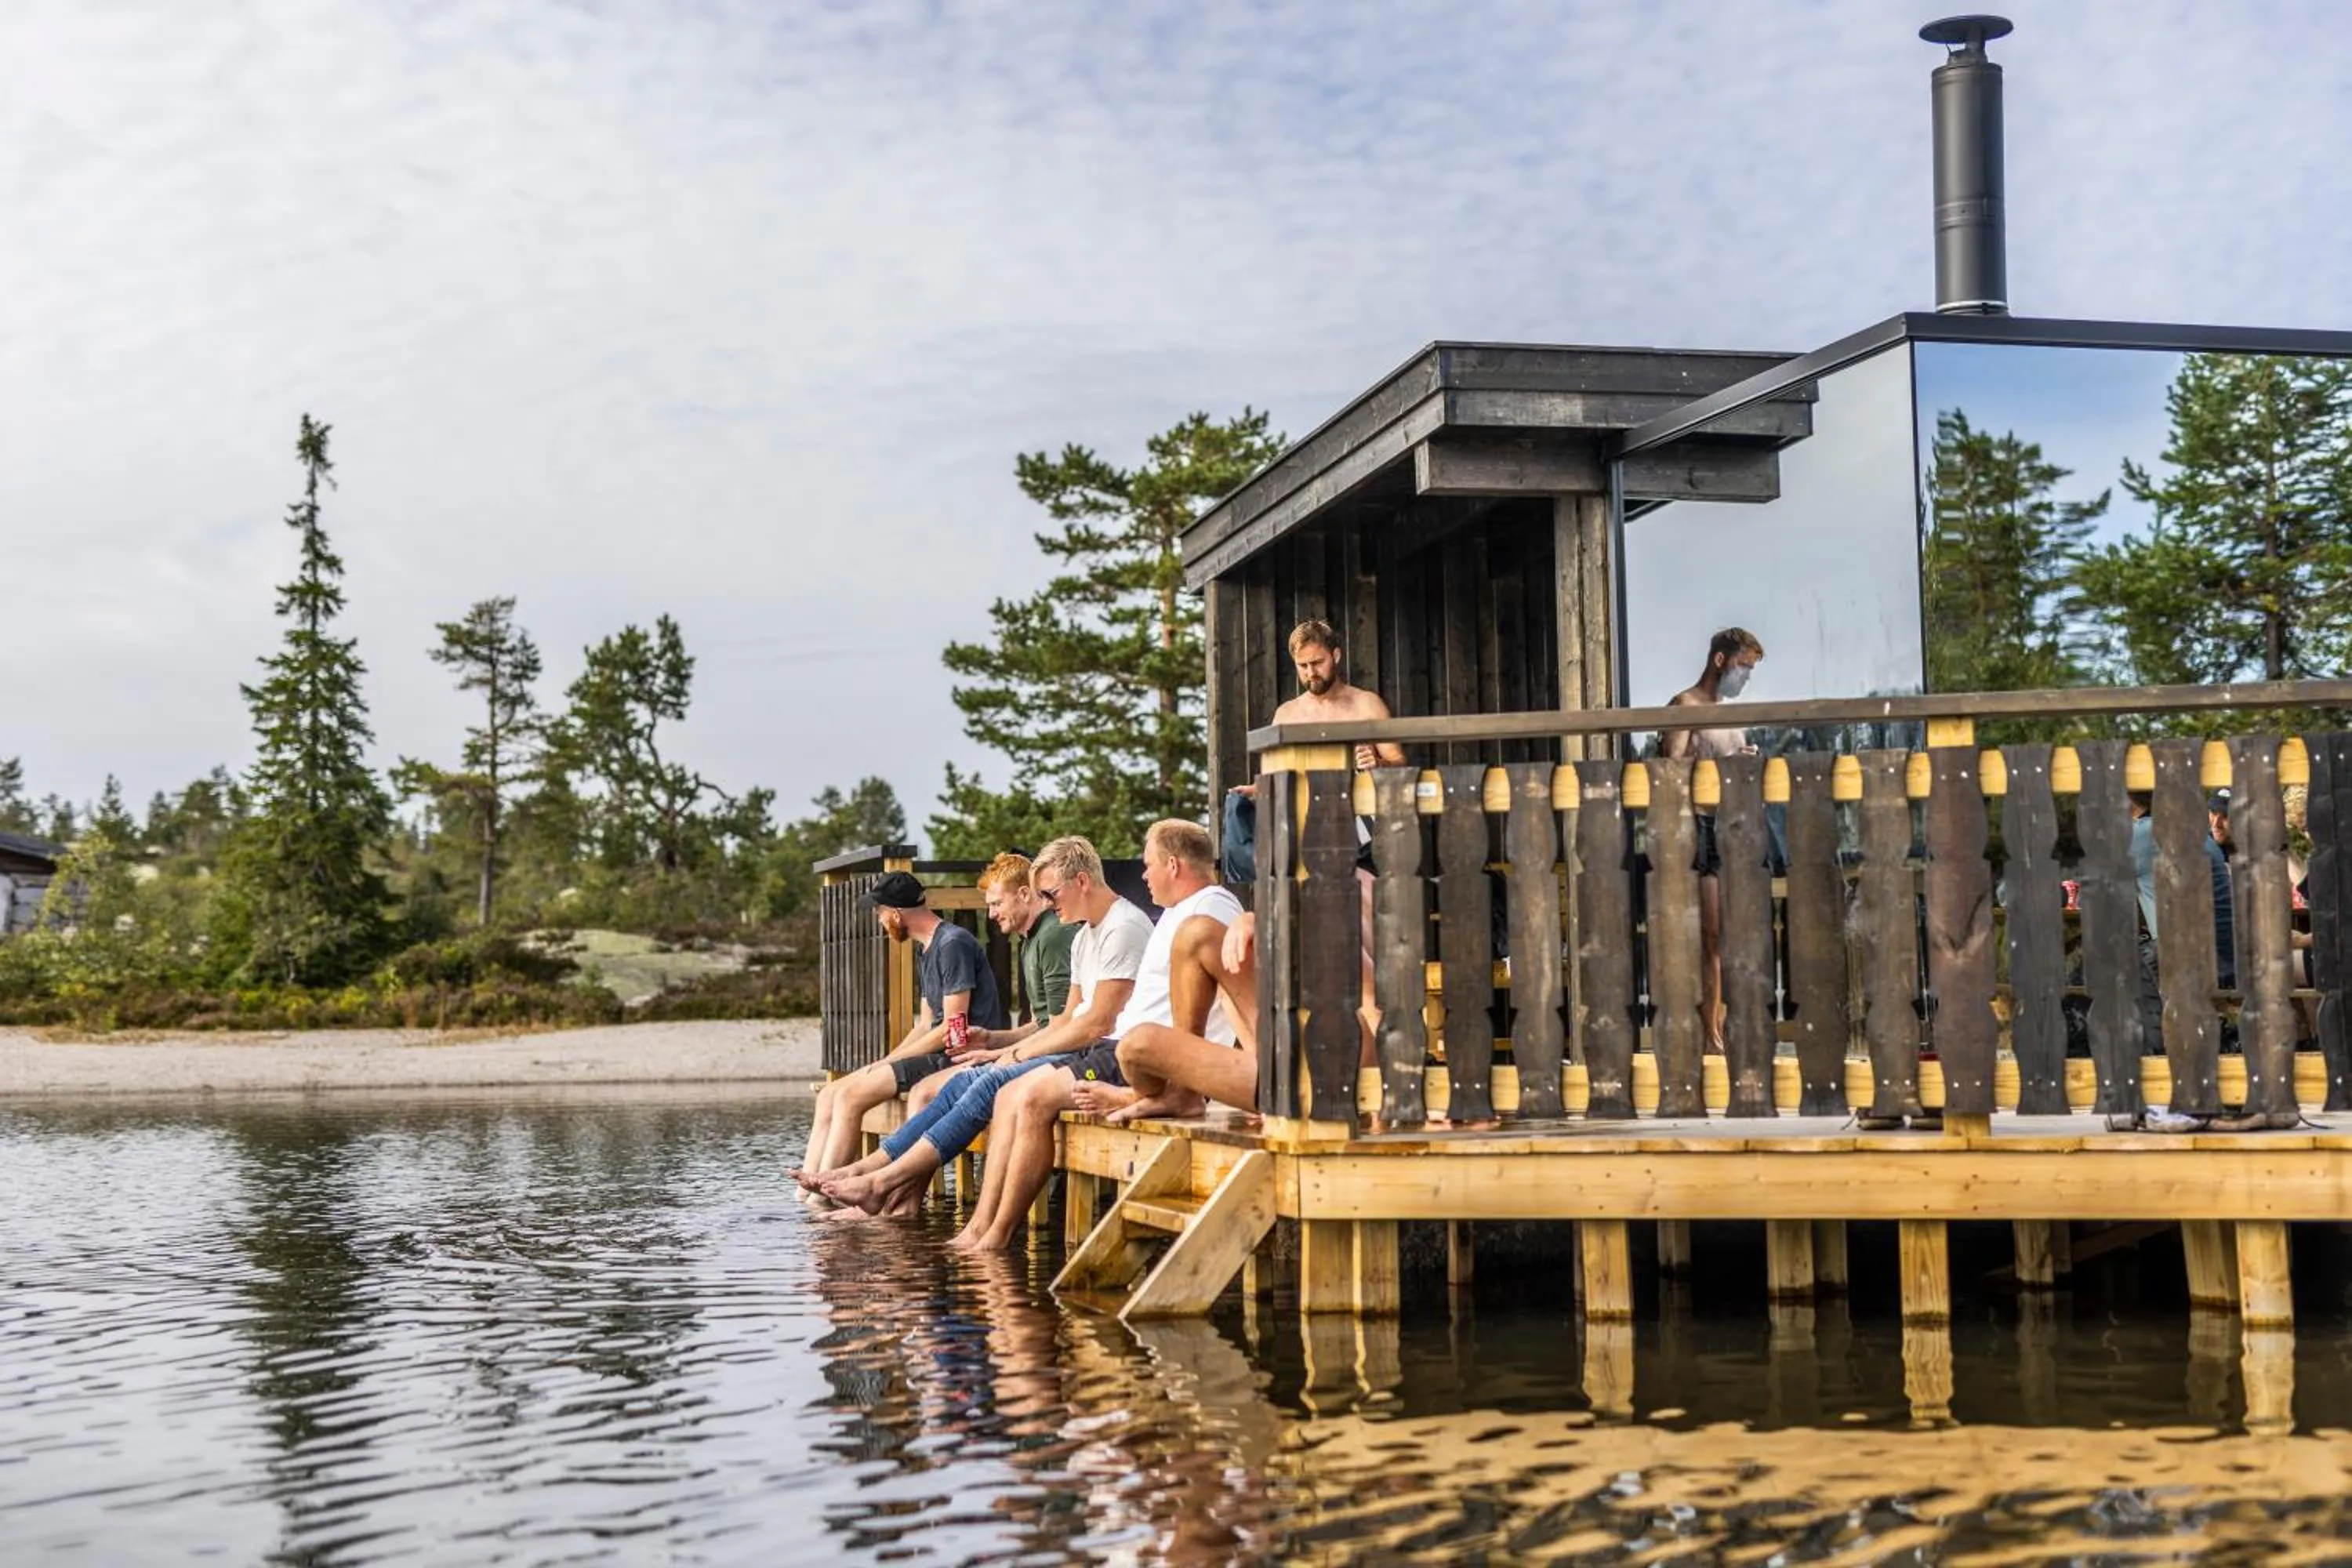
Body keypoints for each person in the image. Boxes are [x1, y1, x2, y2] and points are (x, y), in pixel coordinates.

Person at [808, 836, 1151, 1215]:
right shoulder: (1072, 936)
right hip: (1070, 1050)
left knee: (949, 1089)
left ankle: (884, 1187)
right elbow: (1060, 1021)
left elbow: (1086, 1024)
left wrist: (1009, 1053)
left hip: (1097, 1055)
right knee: (869, 1090)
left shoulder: (1061, 934)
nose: (991, 914)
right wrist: (997, 1043)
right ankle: (876, 1184)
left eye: (996, 903)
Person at [951, 820, 1244, 1252]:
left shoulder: (1212, 909)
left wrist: (1188, 1077)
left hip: (1144, 1054)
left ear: (1173, 865)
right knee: (1010, 1095)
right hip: (1122, 1048)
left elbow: (1234, 991)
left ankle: (996, 1237)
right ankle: (979, 1228)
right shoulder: (1178, 912)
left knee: (1030, 1100)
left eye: (1148, 864)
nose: (1143, 875)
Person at [796, 870, 1007, 1189]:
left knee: (850, 1097)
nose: (880, 921)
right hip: (936, 1054)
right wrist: (886, 1060)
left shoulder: (953, 944)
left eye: (880, 913)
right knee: (830, 1093)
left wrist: (889, 1063)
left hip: (960, 1057)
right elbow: (924, 1025)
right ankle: (807, 1194)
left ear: (896, 914)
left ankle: (827, 1193)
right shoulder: (927, 949)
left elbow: (952, 1028)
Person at [1221, 619, 1406, 884]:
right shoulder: (1287, 714)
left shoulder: (1366, 704)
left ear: (1336, 656)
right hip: (1300, 826)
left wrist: (1378, 764)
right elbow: (1275, 778)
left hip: (1359, 825)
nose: (1311, 672)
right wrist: (1253, 791)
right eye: (1303, 666)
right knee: (1239, 811)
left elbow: (1399, 762)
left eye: (1318, 663)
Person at [1657, 626, 1765, 1053]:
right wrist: (1721, 765)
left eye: (1751, 670)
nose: (1746, 677)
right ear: (1721, 660)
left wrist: (1744, 765)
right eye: (1743, 667)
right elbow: (1670, 770)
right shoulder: (1685, 705)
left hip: (1735, 827)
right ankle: (1710, 1033)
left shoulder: (1732, 716)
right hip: (1699, 828)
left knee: (1735, 933)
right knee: (1712, 936)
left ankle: (1728, 1026)